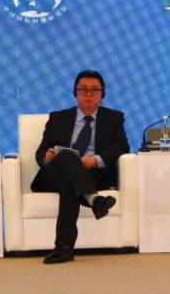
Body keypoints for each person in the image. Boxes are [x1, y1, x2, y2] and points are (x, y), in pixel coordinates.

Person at [31, 70, 129, 264]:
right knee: (67, 156)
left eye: (94, 90)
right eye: (83, 89)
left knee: (69, 181)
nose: (89, 94)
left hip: (91, 174)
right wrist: (47, 157)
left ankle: (64, 248)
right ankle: (94, 200)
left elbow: (122, 147)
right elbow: (40, 153)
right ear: (75, 93)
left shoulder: (114, 118)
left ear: (103, 94)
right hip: (53, 175)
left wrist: (95, 160)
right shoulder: (58, 118)